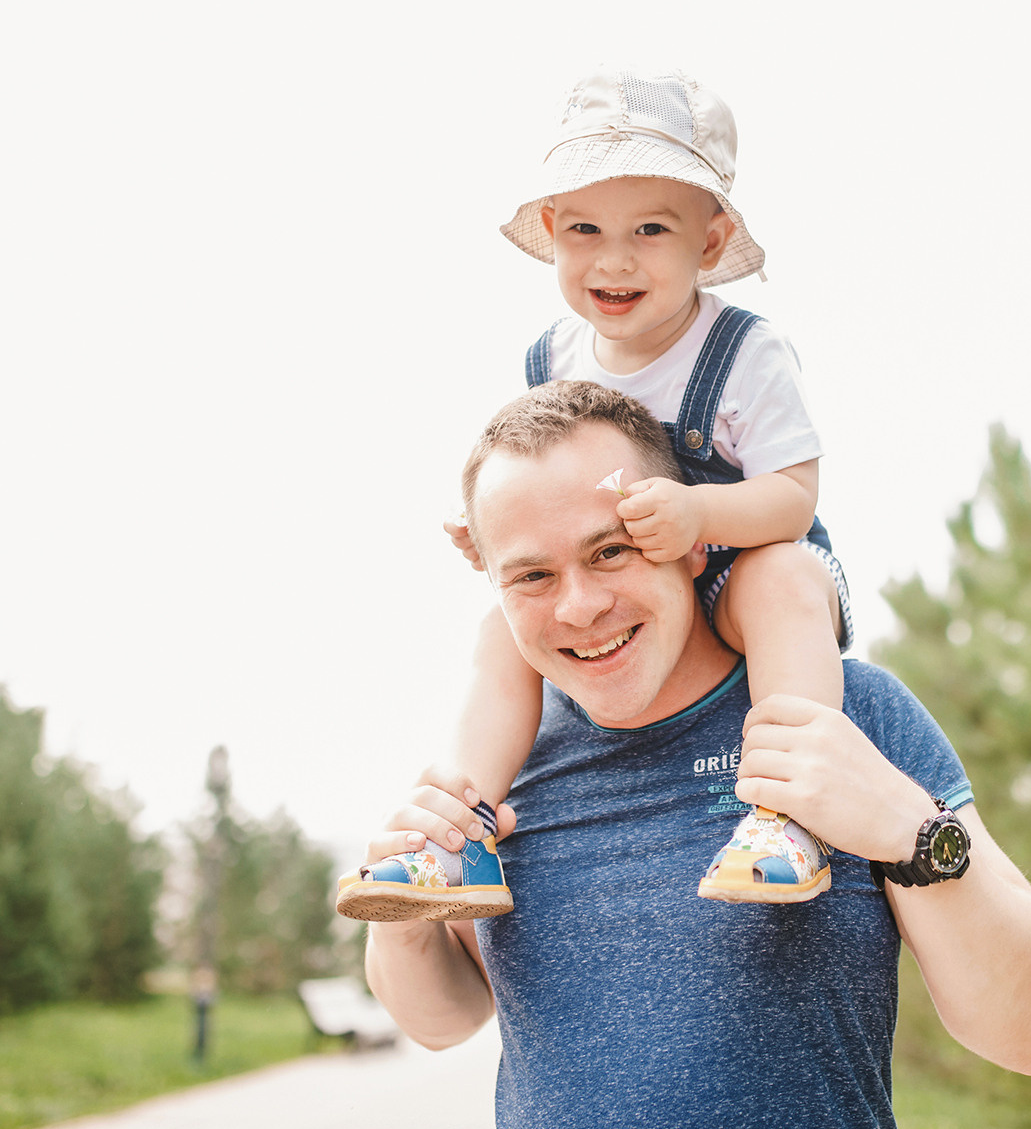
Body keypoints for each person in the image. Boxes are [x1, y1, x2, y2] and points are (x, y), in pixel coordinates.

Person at [361, 381, 1031, 1129]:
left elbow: (1028, 1033)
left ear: (694, 543)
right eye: (533, 575)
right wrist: (401, 925)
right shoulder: (501, 758)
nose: (579, 606)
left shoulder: (846, 713)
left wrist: (909, 828)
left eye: (611, 552)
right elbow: (445, 1020)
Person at [335, 67, 850, 919]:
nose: (614, 258)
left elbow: (793, 497)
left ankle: (789, 812)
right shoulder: (553, 355)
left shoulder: (744, 352)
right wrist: (493, 532)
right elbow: (538, 475)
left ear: (711, 242)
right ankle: (457, 834)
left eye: (651, 228)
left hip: (735, 571)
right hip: (618, 574)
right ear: (550, 229)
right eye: (584, 228)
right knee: (498, 628)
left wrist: (699, 513)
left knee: (786, 576)